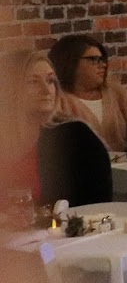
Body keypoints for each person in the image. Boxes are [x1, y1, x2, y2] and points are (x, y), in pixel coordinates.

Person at [10, 49, 112, 206]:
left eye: (50, 81)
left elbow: (96, 212)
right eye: (33, 82)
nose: (46, 90)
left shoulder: (77, 139)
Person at [50, 32, 127, 156]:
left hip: (125, 167)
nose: (103, 65)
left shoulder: (115, 92)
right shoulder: (58, 100)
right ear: (70, 62)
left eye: (101, 59)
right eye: (93, 60)